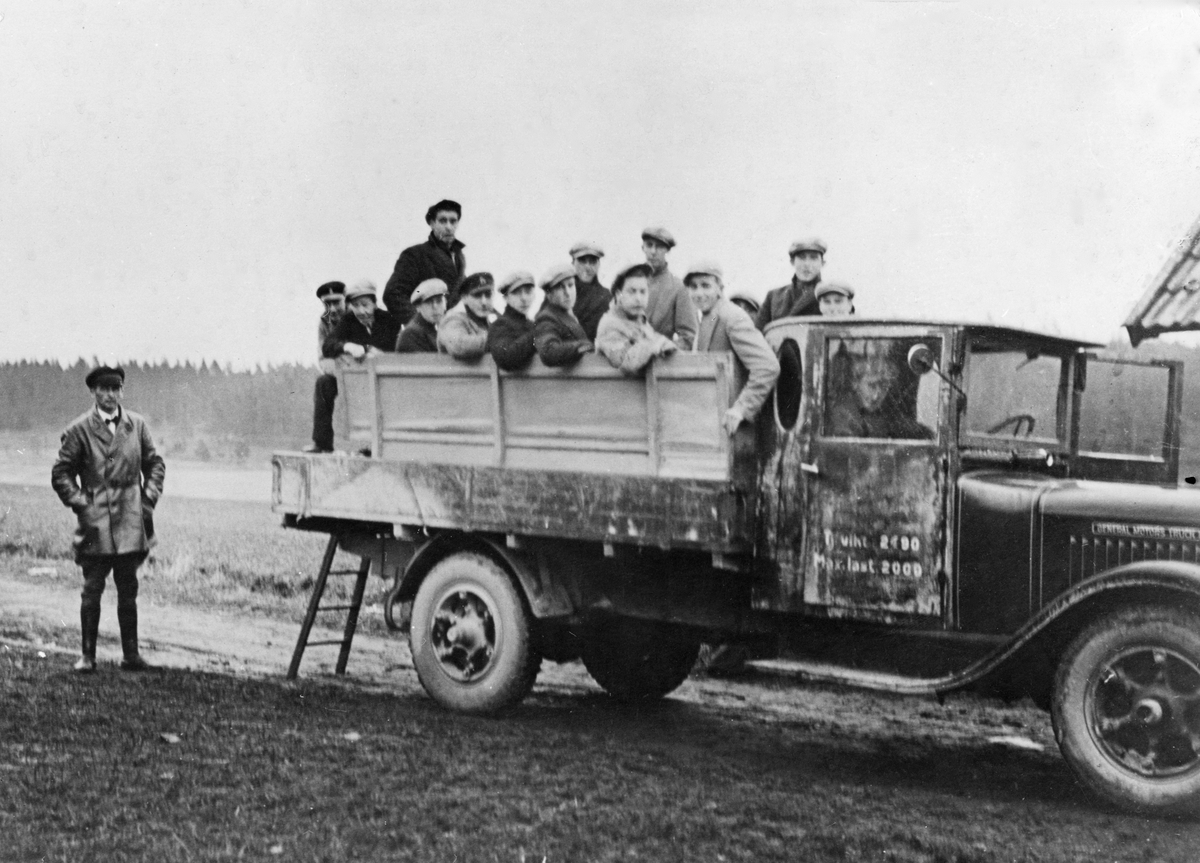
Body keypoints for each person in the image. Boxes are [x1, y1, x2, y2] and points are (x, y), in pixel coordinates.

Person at [51, 365, 166, 673]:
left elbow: (155, 465)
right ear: (93, 392)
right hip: (96, 523)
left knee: (128, 588)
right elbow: (61, 473)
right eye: (104, 389)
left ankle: (131, 655)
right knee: (92, 589)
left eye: (116, 389)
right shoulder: (79, 430)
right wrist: (82, 504)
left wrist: (147, 501)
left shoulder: (137, 425)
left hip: (131, 520)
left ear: (122, 391)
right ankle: (87, 656)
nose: (110, 395)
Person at [684, 262, 781, 436]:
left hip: (733, 428)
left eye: (705, 286)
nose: (699, 293)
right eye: (693, 287)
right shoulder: (707, 317)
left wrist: (740, 409)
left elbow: (767, 366)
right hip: (712, 422)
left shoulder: (732, 317)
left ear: (719, 288)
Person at [382, 199, 466, 326]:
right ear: (432, 223)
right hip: (428, 333)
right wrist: (422, 325)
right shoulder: (415, 255)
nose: (448, 227)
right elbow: (393, 295)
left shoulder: (459, 257)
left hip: (453, 329)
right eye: (442, 221)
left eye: (453, 221)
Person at [595, 263, 677, 374]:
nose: (638, 298)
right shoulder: (610, 325)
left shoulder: (639, 320)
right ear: (619, 295)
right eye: (632, 291)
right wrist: (656, 344)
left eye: (643, 292)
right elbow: (626, 361)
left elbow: (652, 341)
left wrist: (665, 344)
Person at [640, 226, 697, 349]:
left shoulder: (678, 288)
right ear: (643, 248)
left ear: (667, 250)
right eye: (649, 245)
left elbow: (688, 337)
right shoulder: (629, 282)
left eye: (659, 247)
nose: (653, 251)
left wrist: (663, 349)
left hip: (657, 357)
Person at [307, 281, 346, 453]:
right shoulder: (324, 322)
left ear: (345, 299)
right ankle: (322, 443)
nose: (333, 309)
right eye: (327, 304)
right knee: (323, 383)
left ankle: (369, 446)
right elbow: (323, 357)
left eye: (336, 302)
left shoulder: (358, 314)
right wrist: (340, 373)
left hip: (363, 372)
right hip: (339, 372)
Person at [756, 237, 826, 329]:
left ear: (822, 263)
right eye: (802, 258)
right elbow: (757, 332)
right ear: (792, 262)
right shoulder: (773, 296)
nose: (807, 264)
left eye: (813, 258)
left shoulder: (829, 295)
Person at [323, 279, 401, 361]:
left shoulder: (389, 319)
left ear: (374, 304)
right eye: (355, 305)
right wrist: (346, 346)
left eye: (365, 305)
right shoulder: (348, 320)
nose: (361, 311)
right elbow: (327, 346)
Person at [533, 263, 593, 366]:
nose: (568, 293)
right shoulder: (546, 318)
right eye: (560, 288)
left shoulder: (568, 315)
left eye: (570, 285)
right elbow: (548, 351)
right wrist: (581, 346)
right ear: (549, 294)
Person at [487, 271, 538, 371]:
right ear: (506, 298)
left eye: (528, 292)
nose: (524, 298)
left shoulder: (532, 325)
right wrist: (538, 334)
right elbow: (506, 357)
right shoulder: (500, 325)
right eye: (516, 293)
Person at [438, 272, 493, 360]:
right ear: (464, 298)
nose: (484, 302)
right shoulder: (452, 321)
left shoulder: (489, 324)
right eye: (477, 295)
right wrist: (499, 340)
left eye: (488, 295)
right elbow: (459, 345)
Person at [569, 241, 611, 341]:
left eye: (592, 262)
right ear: (573, 263)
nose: (587, 267)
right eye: (582, 261)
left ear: (598, 265)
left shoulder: (606, 297)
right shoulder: (559, 292)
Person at [396, 278, 448, 353]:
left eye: (439, 301)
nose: (435, 307)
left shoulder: (440, 327)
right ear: (418, 307)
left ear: (445, 303)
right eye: (428, 302)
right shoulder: (411, 334)